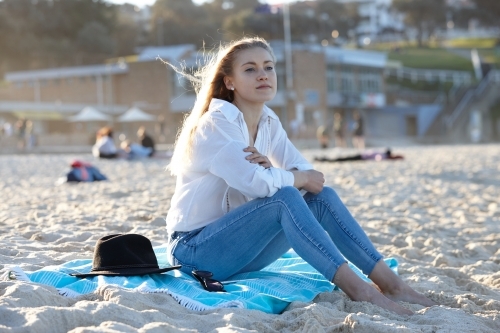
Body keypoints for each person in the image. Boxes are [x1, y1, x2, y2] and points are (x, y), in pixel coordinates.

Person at [165, 37, 435, 315]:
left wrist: (275, 171)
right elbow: (259, 184)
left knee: (321, 198)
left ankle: (391, 285)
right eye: (250, 69)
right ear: (229, 82)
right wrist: (287, 176)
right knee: (284, 198)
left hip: (241, 249)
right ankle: (360, 290)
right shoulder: (217, 125)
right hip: (195, 251)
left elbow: (313, 178)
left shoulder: (268, 121)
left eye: (269, 67)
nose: (263, 75)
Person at [314, 148, 404, 162]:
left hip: (361, 156)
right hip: (361, 157)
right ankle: (324, 159)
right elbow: (378, 159)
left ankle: (324, 159)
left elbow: (377, 158)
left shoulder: (380, 153)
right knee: (343, 159)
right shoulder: (382, 155)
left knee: (343, 158)